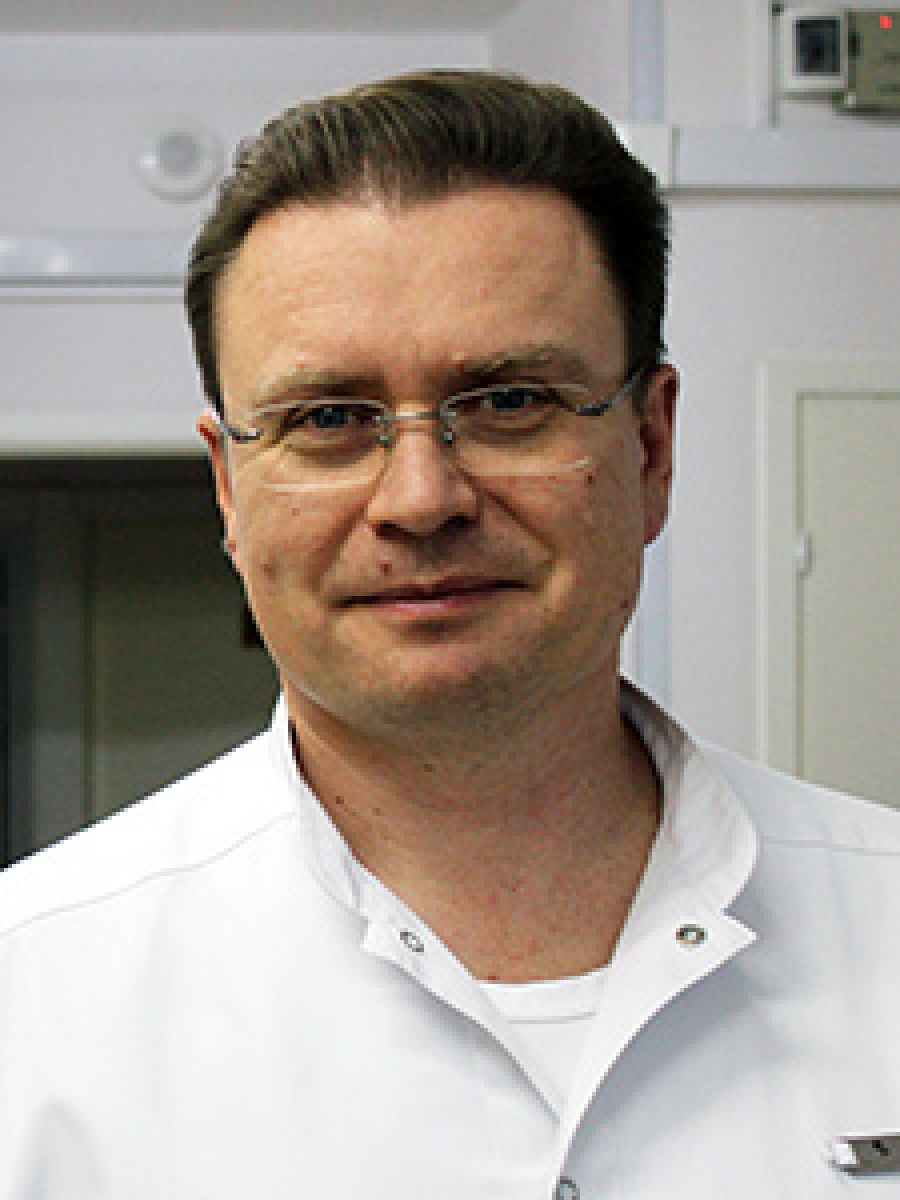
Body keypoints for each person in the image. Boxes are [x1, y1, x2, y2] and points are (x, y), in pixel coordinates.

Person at [1, 70, 898, 1200]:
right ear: (229, 489)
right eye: (329, 419)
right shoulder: (30, 1006)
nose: (421, 499)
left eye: (511, 401)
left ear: (652, 448)